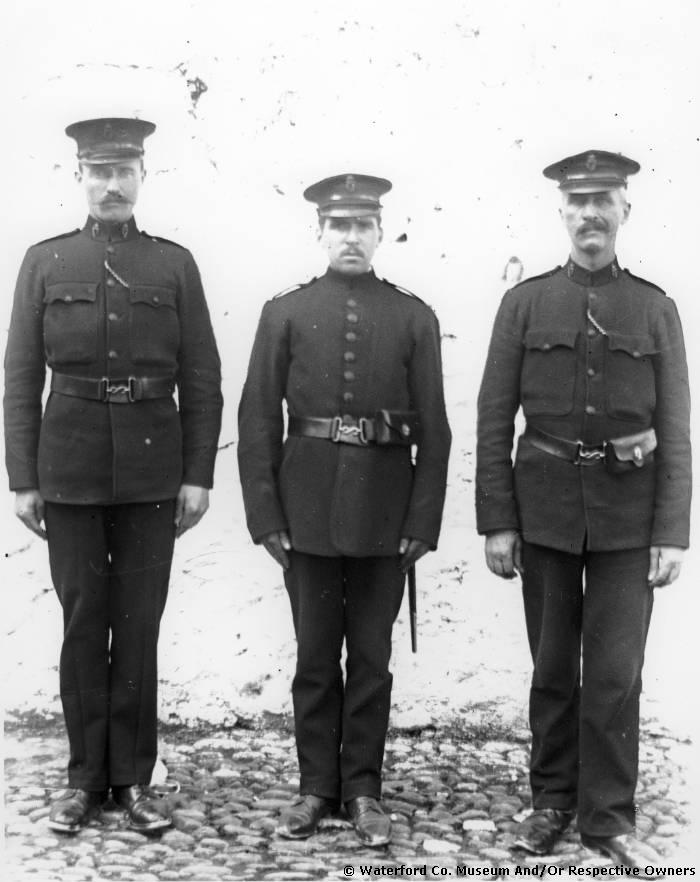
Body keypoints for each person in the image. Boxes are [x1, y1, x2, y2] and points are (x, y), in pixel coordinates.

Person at [4, 118, 223, 833]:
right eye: (99, 172)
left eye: (124, 171)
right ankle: (82, 779)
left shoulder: (174, 265)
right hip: (66, 470)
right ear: (80, 177)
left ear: (141, 177)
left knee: (137, 626)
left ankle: (130, 779)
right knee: (80, 624)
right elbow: (17, 377)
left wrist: (197, 475)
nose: (112, 185)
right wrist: (22, 478)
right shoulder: (44, 261)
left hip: (154, 473)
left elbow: (203, 378)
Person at [476, 150, 691, 867]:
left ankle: (607, 816)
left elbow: (680, 430)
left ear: (625, 211)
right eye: (579, 203)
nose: (591, 214)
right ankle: (551, 804)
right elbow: (492, 417)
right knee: (551, 670)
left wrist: (671, 534)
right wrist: (498, 521)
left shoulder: (655, 308)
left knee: (615, 672)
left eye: (605, 201)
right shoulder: (526, 304)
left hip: (629, 522)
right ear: (561, 213)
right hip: (545, 515)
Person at [237, 174, 451, 846]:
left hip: (386, 517)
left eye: (364, 225)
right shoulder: (286, 313)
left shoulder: (413, 316)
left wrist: (422, 523)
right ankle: (314, 789)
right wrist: (266, 516)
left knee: (372, 658)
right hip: (306, 511)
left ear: (382, 233)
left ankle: (362, 789)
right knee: (312, 657)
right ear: (320, 233)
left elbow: (438, 432)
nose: (351, 237)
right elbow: (256, 418)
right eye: (339, 225)